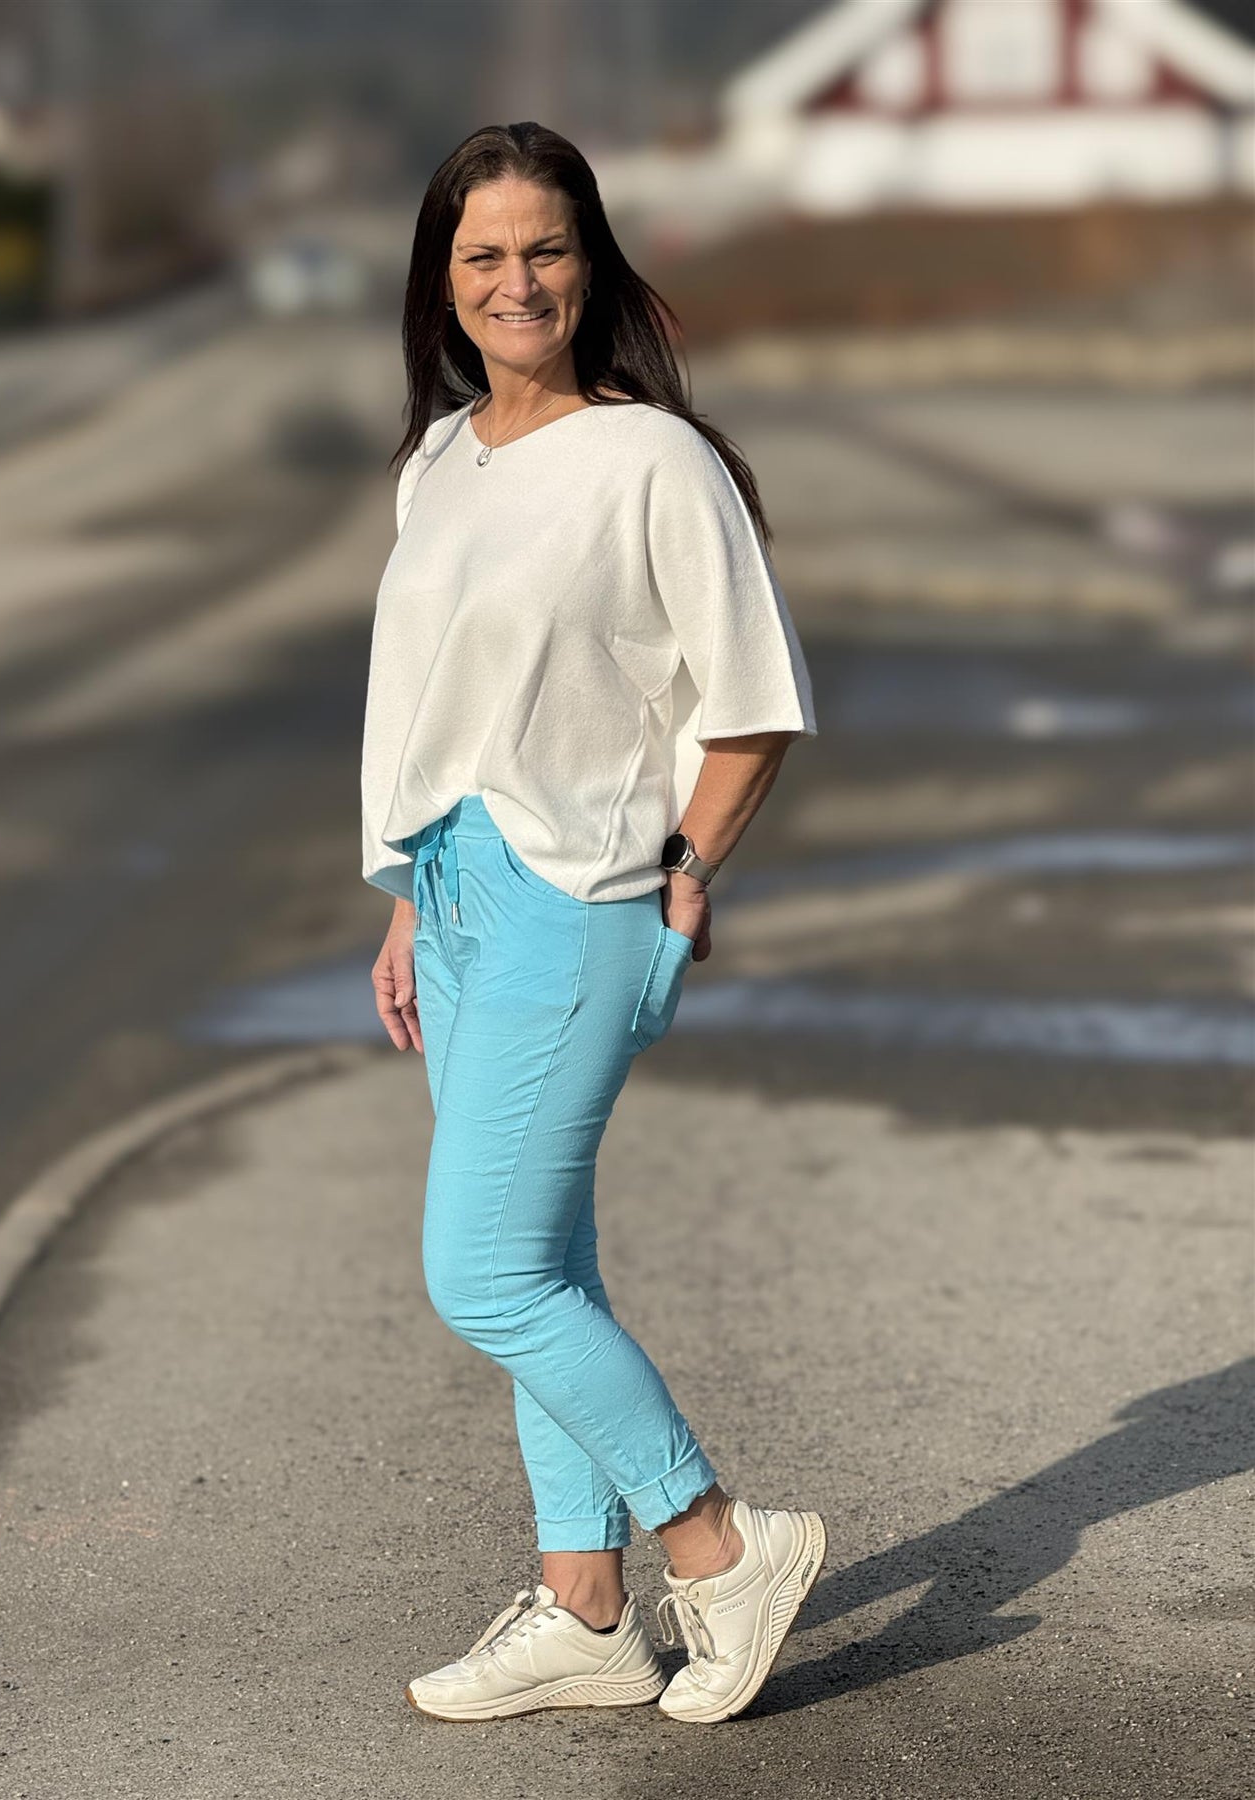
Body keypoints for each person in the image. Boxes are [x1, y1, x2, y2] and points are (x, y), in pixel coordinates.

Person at [361, 121, 824, 1726]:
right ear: (440, 282)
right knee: (545, 1261)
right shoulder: (438, 461)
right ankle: (584, 1612)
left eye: (544, 248)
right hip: (454, 894)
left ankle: (718, 1547)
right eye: (482, 254)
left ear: (591, 265)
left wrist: (688, 864)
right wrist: (405, 898)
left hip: (580, 898)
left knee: (483, 1271)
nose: (516, 281)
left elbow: (750, 704)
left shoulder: (650, 461)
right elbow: (439, 706)